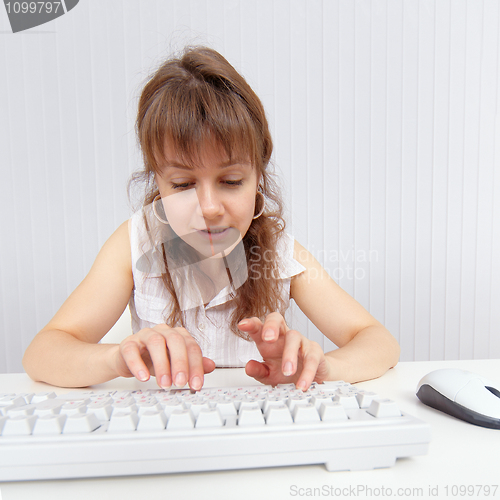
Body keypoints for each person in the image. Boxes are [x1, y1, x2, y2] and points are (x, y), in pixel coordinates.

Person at [23, 46, 400, 391]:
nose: (209, 207)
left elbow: (377, 341)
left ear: (257, 181)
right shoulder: (136, 242)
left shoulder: (280, 253)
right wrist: (115, 357)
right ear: (158, 182)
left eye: (231, 181)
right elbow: (43, 352)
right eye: (184, 184)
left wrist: (318, 368)